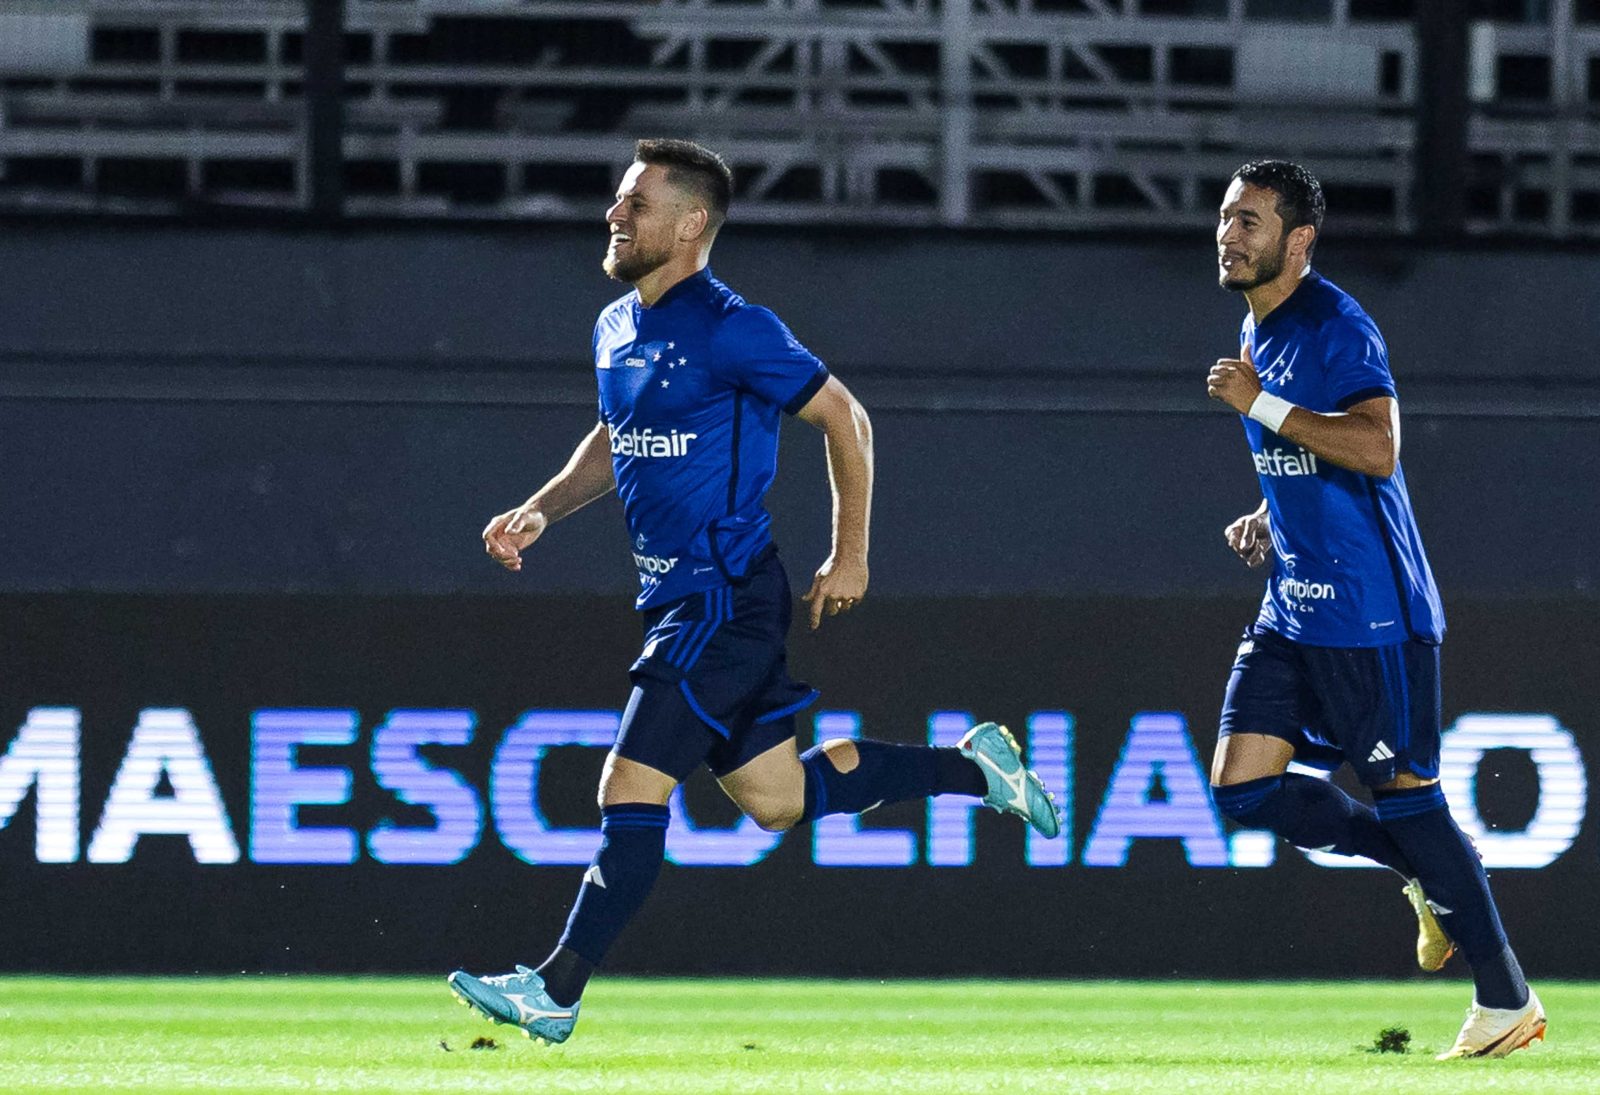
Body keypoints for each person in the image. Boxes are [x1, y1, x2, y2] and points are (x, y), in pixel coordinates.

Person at [447, 138, 1060, 1044]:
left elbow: (844, 417)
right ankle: (977, 769)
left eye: (636, 203)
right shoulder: (615, 327)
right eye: (619, 200)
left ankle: (557, 986)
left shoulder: (735, 325)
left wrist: (851, 552)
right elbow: (617, 437)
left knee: (629, 782)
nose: (615, 215)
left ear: (692, 225)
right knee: (777, 799)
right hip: (679, 598)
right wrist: (543, 508)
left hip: (722, 598)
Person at [1204, 160, 1545, 1060]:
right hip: (1294, 602)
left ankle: (1506, 999)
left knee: (1408, 798)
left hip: (1371, 614)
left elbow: (1377, 448)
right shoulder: (1257, 323)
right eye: (1227, 217)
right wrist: (1269, 516)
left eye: (1249, 221)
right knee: (1240, 787)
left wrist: (1261, 403)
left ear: (1299, 241)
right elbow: (1312, 466)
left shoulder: (1335, 325)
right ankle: (1419, 875)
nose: (1229, 234)